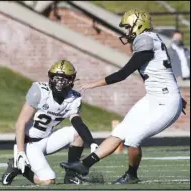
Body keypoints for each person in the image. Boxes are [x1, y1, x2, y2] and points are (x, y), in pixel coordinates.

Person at [60, 9, 187, 184]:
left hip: (166, 102)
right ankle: (84, 165)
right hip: (154, 97)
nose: (126, 31)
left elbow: (123, 74)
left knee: (134, 138)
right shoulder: (152, 38)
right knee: (120, 132)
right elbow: (162, 71)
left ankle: (131, 175)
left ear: (138, 24)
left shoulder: (145, 39)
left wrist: (92, 84)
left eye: (128, 27)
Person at [1, 60, 98, 185]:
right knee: (48, 180)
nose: (59, 83)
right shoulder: (39, 91)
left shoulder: (74, 98)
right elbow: (20, 123)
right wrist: (20, 152)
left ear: (71, 80)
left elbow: (77, 122)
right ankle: (18, 167)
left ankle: (71, 175)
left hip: (47, 139)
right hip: (28, 144)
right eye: (57, 78)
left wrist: (91, 142)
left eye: (63, 79)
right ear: (50, 77)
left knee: (77, 133)